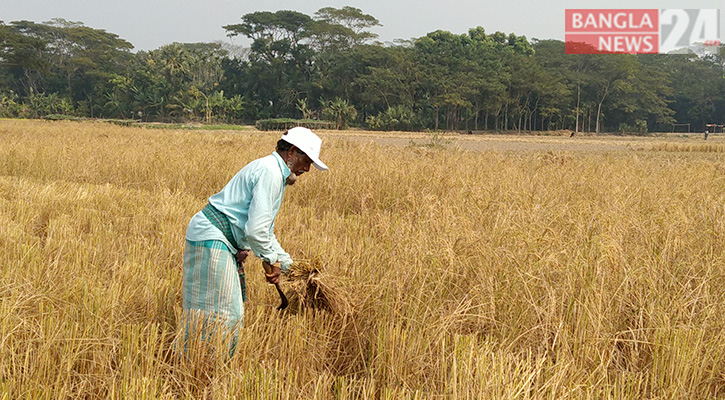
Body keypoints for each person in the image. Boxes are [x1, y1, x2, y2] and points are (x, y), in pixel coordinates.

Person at [181, 126, 328, 350]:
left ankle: (197, 361)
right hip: (213, 237)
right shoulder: (270, 172)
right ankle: (203, 366)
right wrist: (270, 260)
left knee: (208, 311)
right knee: (225, 314)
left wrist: (292, 268)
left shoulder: (273, 173)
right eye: (306, 161)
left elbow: (265, 232)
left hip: (213, 236)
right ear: (291, 152)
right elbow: (256, 231)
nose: (307, 169)